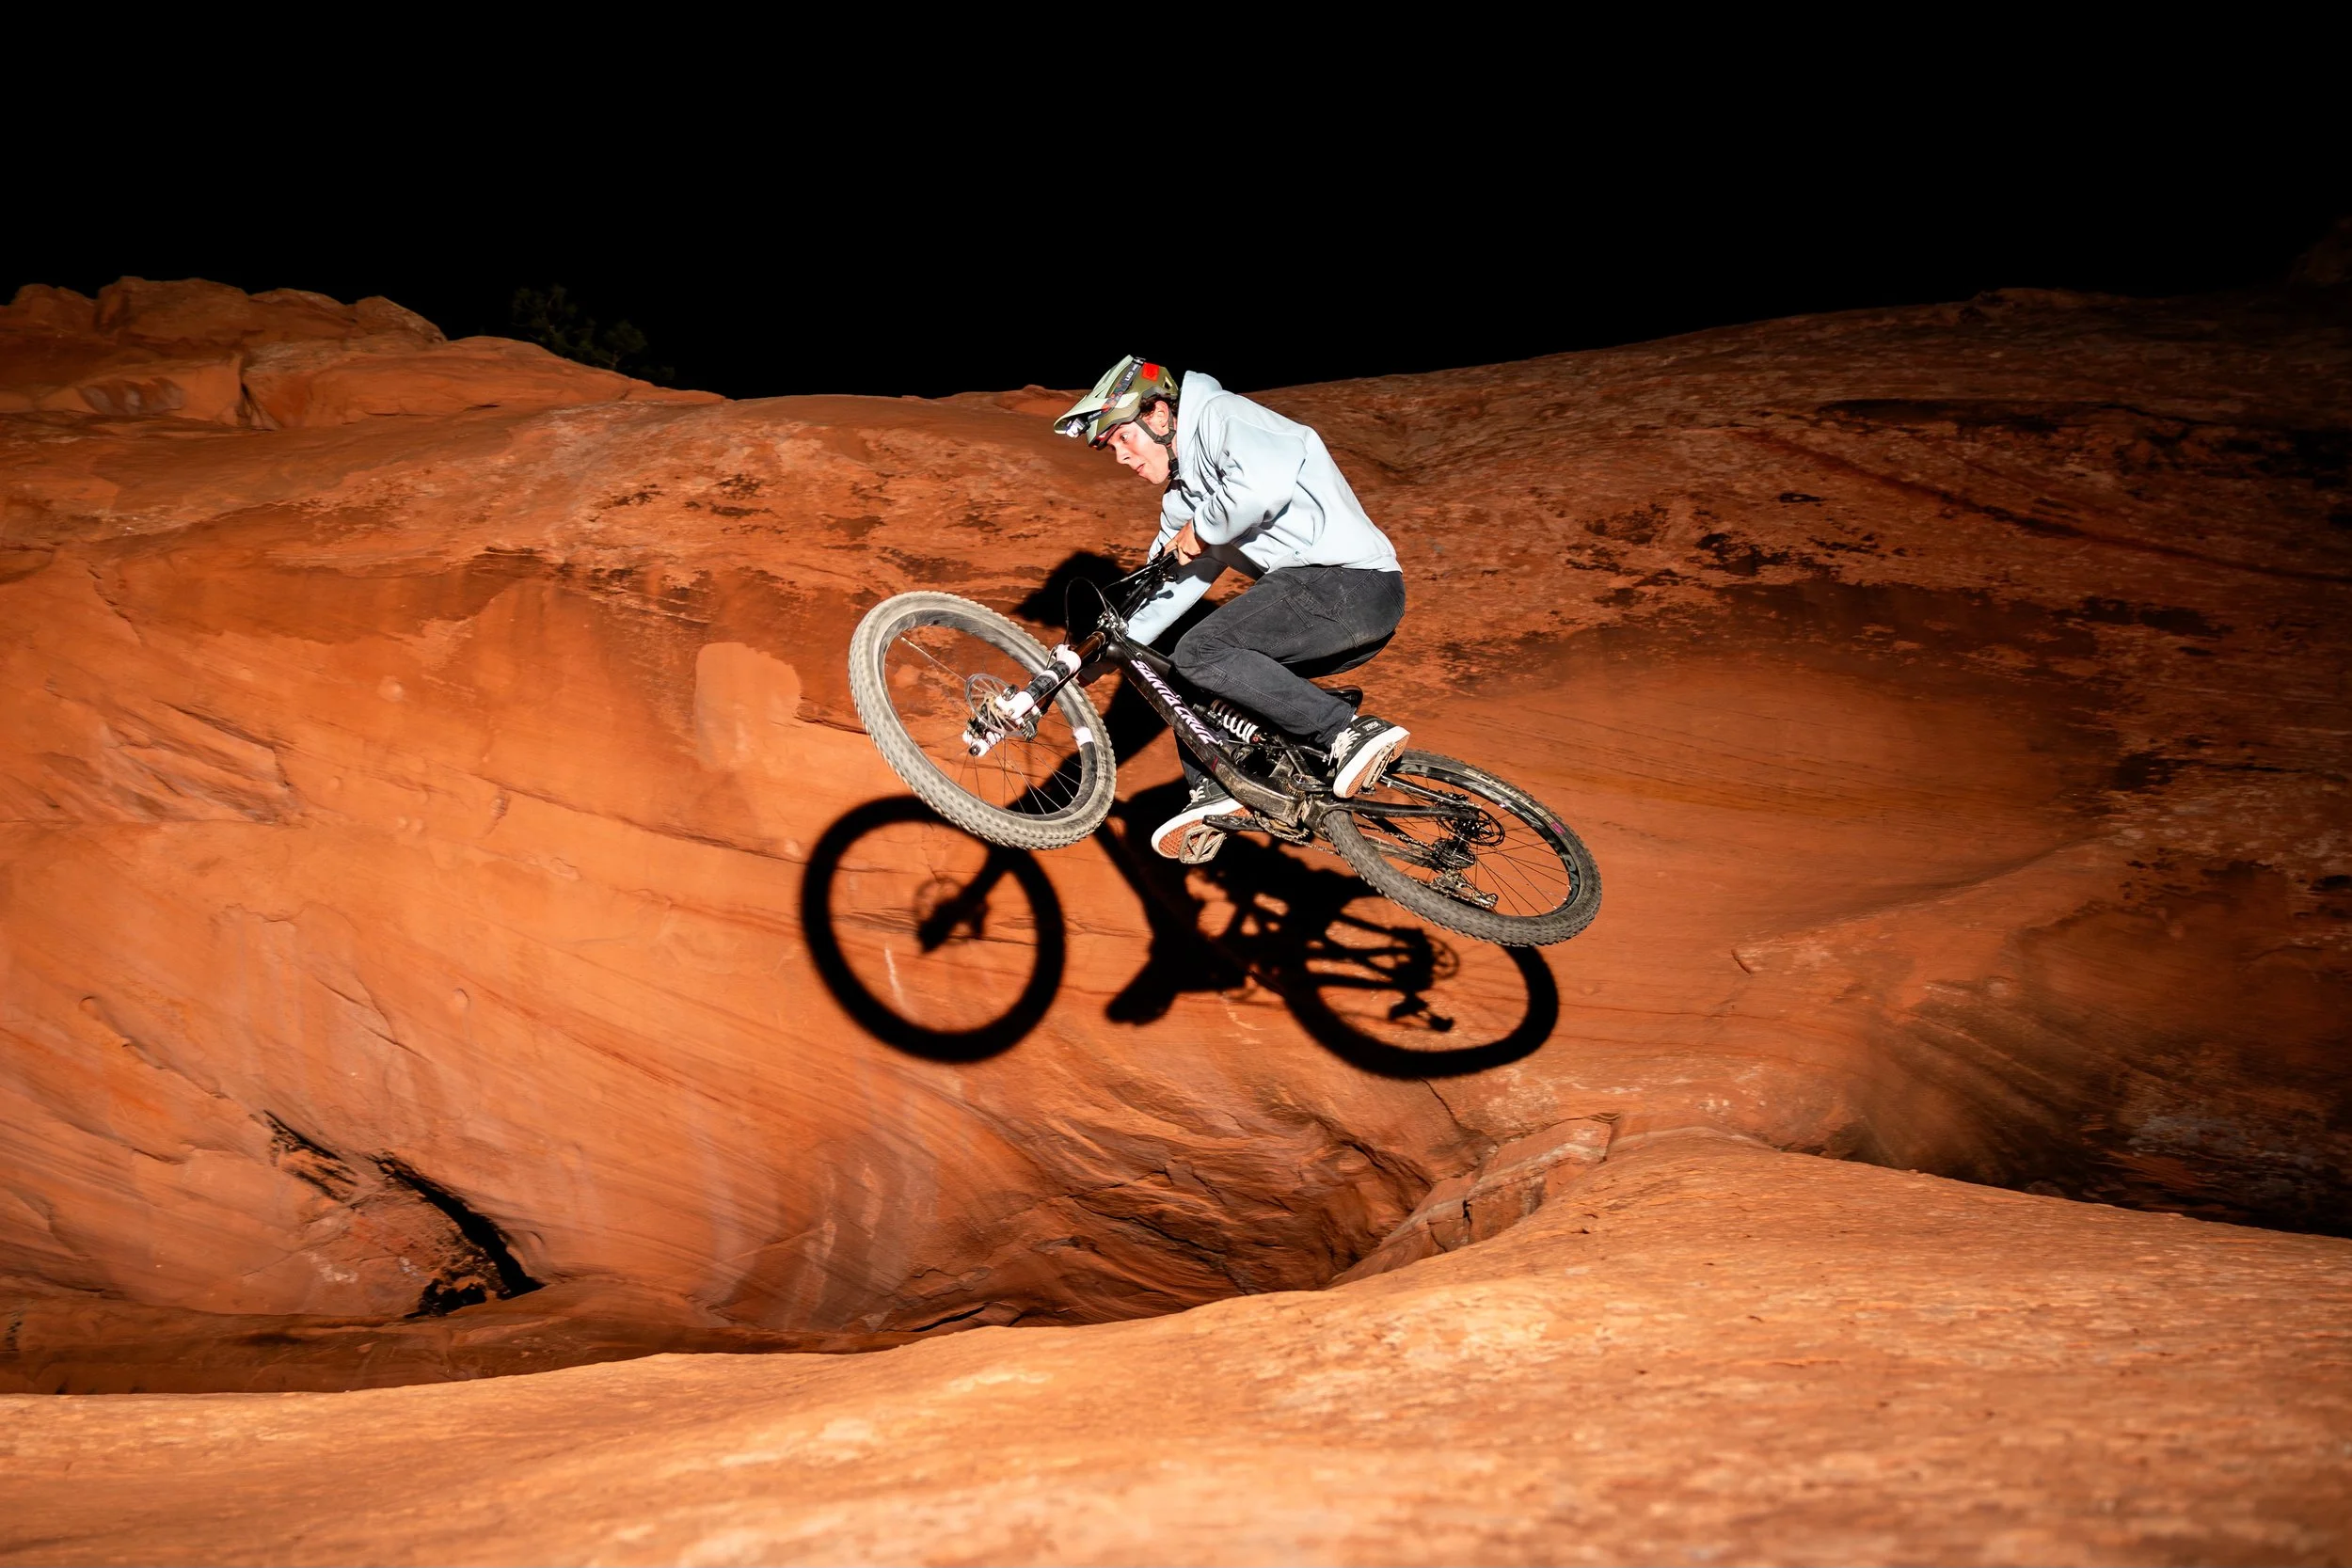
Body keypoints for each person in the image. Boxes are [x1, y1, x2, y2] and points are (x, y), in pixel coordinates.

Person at [1055, 356, 1410, 863]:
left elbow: (1260, 486)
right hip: (1318, 605)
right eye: (1110, 449)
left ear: (1157, 415)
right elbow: (1169, 583)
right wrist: (1103, 651)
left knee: (1203, 648)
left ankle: (1348, 730)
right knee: (1181, 671)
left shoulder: (1223, 417)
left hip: (1353, 584)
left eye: (1122, 439)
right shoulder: (1184, 497)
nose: (1121, 459)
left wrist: (1200, 533)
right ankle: (1220, 789)